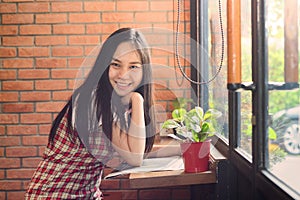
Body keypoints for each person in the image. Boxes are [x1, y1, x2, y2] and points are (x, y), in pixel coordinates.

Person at [25, 27, 157, 199]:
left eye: (133, 66)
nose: (124, 75)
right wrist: (138, 100)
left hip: (85, 194)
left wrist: (186, 149)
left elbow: (138, 147)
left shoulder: (117, 101)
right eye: (116, 64)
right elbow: (135, 158)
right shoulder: (94, 100)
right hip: (53, 195)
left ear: (144, 70)